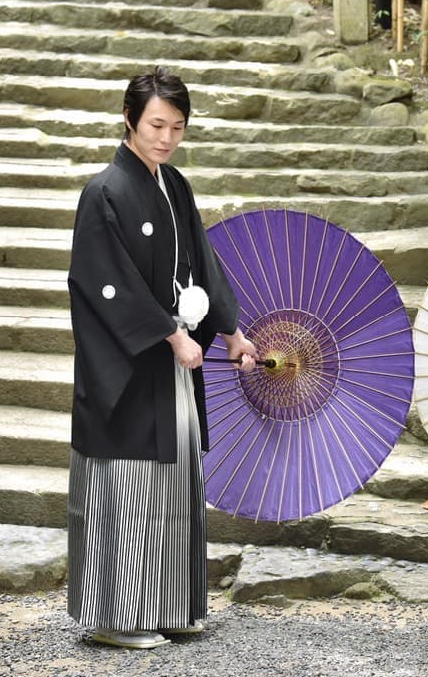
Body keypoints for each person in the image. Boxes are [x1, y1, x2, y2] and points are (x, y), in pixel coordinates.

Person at [66, 67, 257, 649]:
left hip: (177, 362)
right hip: (128, 370)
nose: (166, 138)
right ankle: (116, 616)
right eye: (156, 125)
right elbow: (106, 284)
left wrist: (231, 331)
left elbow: (202, 261)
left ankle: (170, 605)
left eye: (177, 127)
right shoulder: (104, 192)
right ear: (129, 119)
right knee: (131, 487)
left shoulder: (174, 185)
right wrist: (170, 336)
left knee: (175, 481)